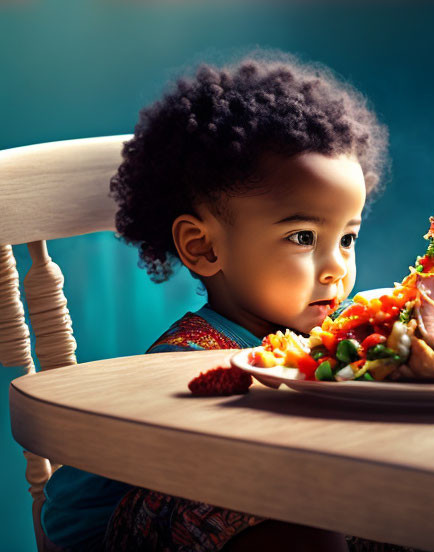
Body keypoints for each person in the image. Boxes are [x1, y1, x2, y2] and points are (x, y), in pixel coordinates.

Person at [40, 55, 389, 551]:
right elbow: (71, 508)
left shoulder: (337, 348)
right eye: (303, 236)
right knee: (294, 499)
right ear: (204, 247)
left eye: (348, 238)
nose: (337, 268)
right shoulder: (184, 365)